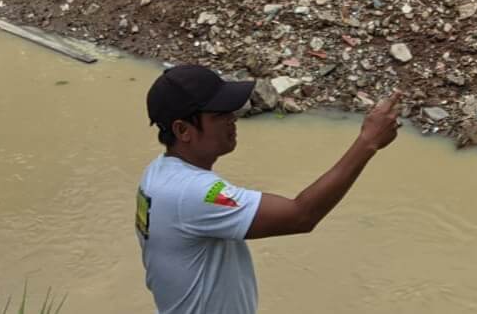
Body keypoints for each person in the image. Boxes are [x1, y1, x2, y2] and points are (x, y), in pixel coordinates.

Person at [135, 64, 403, 314]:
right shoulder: (192, 193)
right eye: (220, 115)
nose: (233, 119)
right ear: (183, 130)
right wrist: (368, 142)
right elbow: (302, 215)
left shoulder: (157, 174)